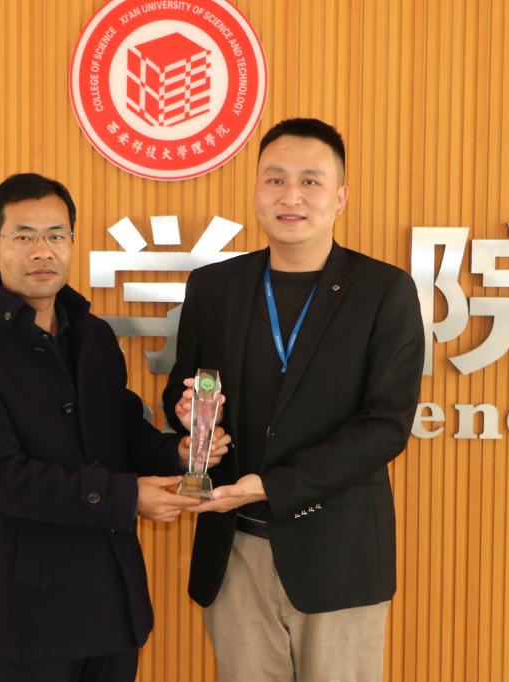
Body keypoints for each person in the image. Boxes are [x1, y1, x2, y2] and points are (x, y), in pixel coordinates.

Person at [0, 172, 228, 682]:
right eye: (24, 236)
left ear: (72, 241)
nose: (42, 251)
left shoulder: (93, 335)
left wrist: (178, 453)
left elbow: (122, 429)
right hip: (30, 616)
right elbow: (2, 478)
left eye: (56, 234)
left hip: (114, 603)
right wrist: (128, 497)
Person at [163, 119, 424, 681]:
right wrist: (189, 423)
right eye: (275, 179)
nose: (291, 196)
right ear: (256, 189)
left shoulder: (384, 291)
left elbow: (385, 426)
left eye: (310, 181)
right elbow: (185, 389)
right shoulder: (215, 288)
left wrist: (272, 486)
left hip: (339, 556)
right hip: (234, 550)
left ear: (340, 197)